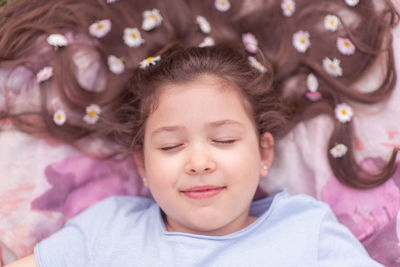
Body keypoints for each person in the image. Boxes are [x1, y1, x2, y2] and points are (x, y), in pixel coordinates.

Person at [0, 0, 398, 266]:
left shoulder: (307, 230)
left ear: (264, 154)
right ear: (142, 162)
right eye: (171, 145)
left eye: (224, 140)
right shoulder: (108, 228)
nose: (199, 162)